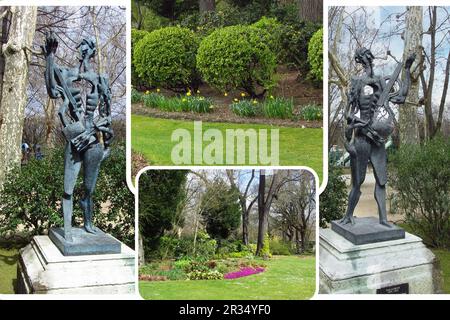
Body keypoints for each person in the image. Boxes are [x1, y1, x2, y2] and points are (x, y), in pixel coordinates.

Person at [43, 31, 114, 242]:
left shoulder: (101, 79)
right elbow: (52, 90)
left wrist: (101, 131)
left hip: (93, 141)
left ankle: (88, 221)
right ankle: (67, 228)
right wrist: (50, 57)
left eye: (88, 47)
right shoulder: (66, 74)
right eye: (81, 47)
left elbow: (107, 115)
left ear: (92, 52)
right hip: (75, 140)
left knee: (89, 189)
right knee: (68, 188)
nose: (83, 50)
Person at [340, 47, 415, 226]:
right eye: (363, 58)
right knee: (358, 183)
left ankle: (383, 219)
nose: (367, 60)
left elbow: (401, 96)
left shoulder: (381, 81)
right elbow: (348, 114)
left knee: (381, 180)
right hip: (362, 138)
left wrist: (406, 69)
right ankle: (348, 215)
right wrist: (357, 125)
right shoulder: (357, 82)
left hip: (377, 139)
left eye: (368, 57)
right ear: (360, 60)